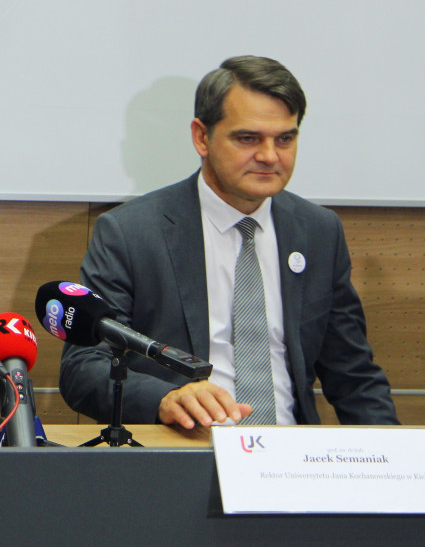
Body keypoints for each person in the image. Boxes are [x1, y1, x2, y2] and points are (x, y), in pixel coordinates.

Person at [60, 56, 398, 428]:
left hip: (291, 450)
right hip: (188, 446)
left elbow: (353, 376)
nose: (269, 156)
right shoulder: (131, 233)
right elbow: (84, 368)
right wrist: (164, 400)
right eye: (248, 138)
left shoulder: (318, 231)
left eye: (285, 139)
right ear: (202, 137)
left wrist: (396, 455)